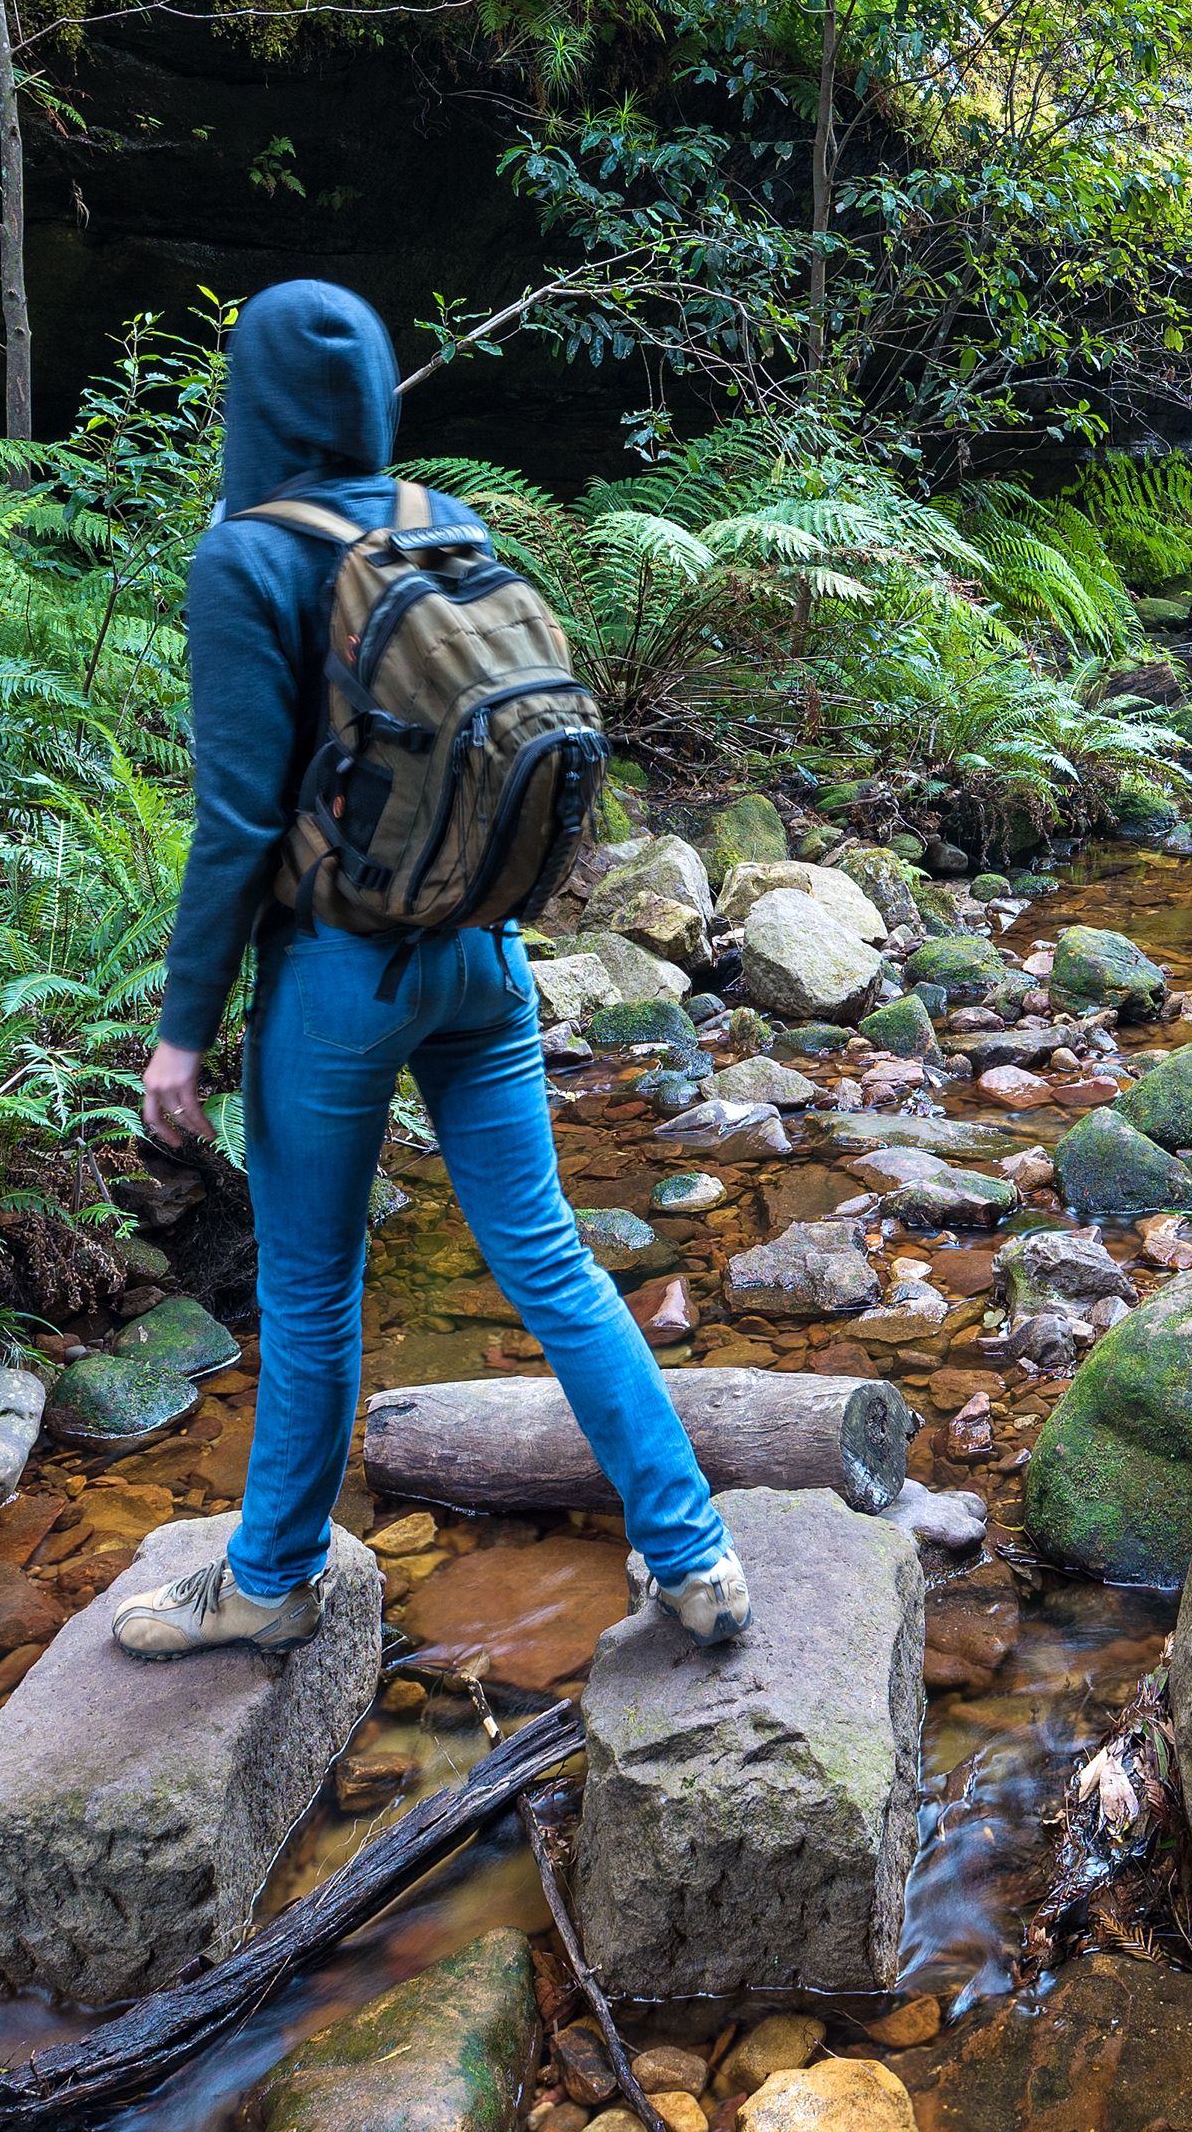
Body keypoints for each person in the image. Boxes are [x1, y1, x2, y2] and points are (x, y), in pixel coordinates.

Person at [116, 279, 749, 1658]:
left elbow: (233, 822)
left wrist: (181, 1035)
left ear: (256, 398)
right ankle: (695, 1555)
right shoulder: (444, 527)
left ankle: (272, 1579)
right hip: (489, 956)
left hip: (342, 977)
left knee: (312, 1292)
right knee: (553, 1264)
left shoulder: (249, 560)